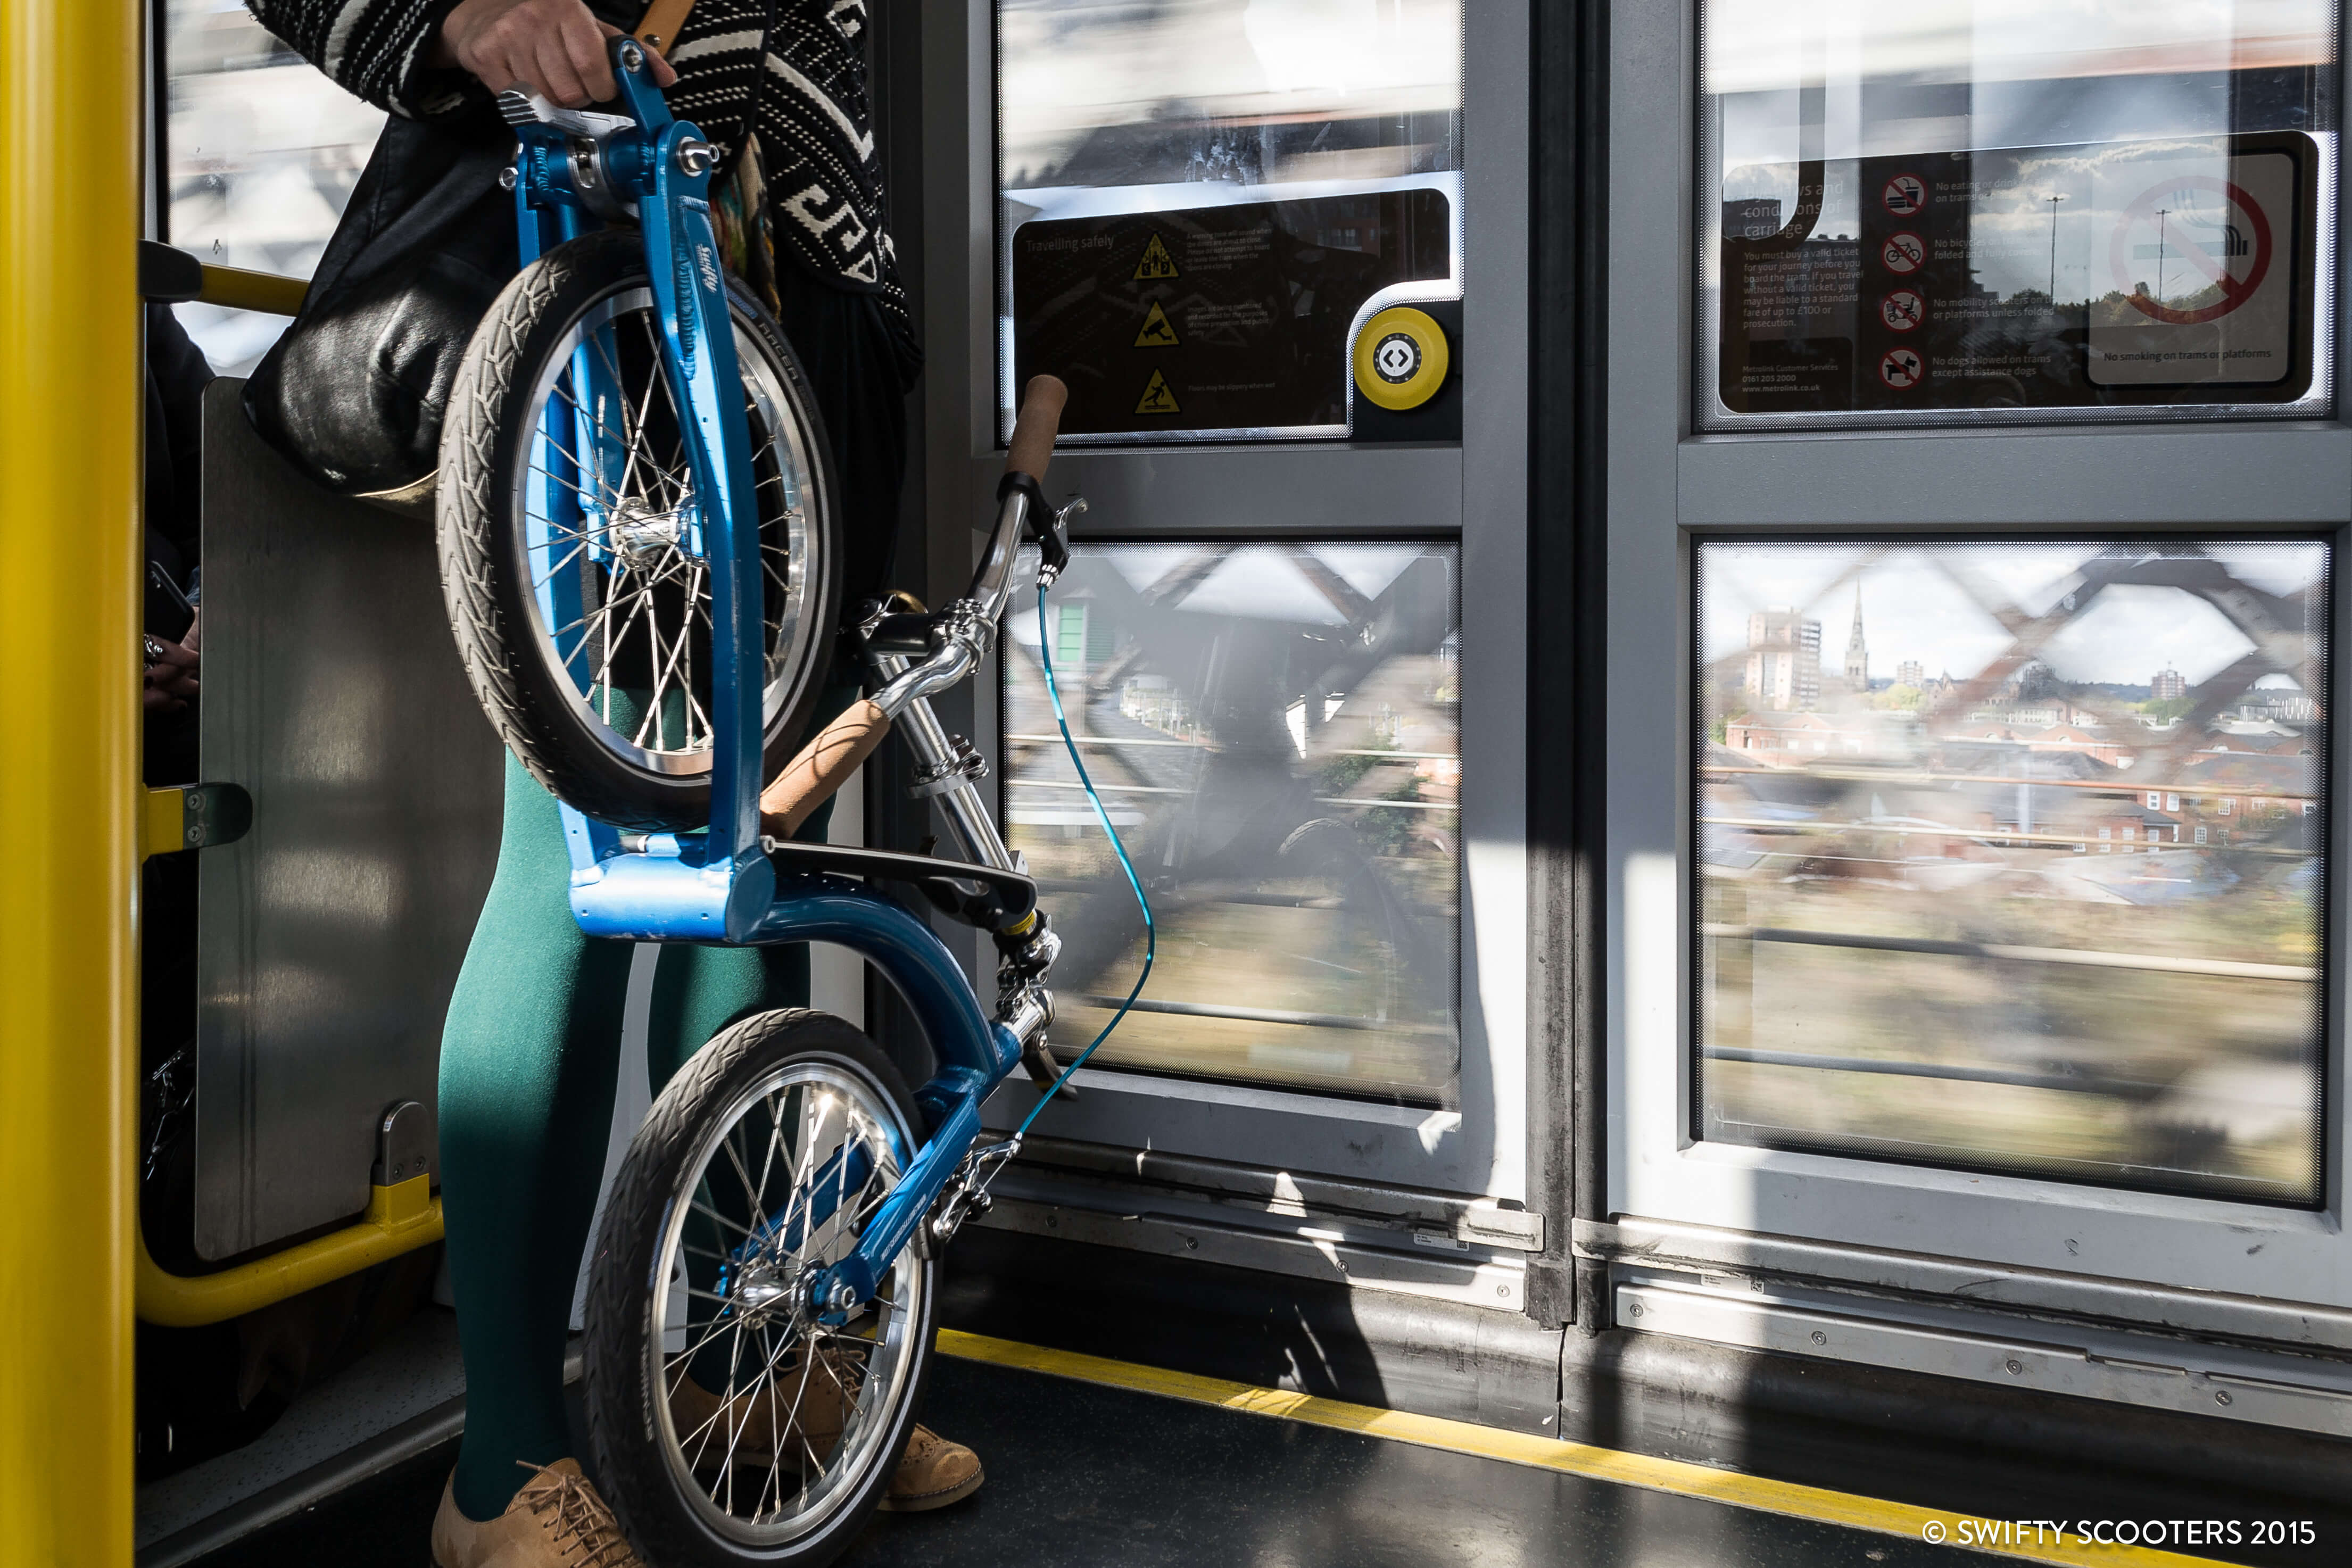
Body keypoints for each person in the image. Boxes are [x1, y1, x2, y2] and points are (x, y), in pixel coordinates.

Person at [239, 4, 970, 1565]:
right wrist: (458, 18)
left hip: (800, 302)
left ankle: (736, 1377)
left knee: (760, 853)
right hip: (616, 252)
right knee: (586, 848)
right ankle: (501, 1465)